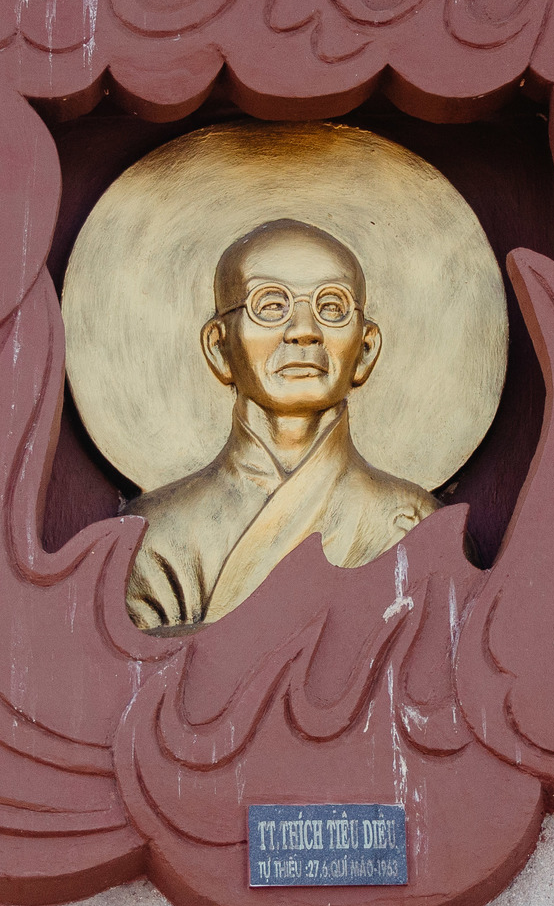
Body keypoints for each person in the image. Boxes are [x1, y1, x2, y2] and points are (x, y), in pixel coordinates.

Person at [124, 219, 438, 629]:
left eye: (331, 306)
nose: (304, 331)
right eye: (271, 305)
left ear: (365, 349)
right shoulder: (152, 538)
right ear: (219, 347)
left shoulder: (415, 526)